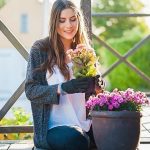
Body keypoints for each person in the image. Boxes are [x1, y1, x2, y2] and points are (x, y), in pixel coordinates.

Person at [25, 0, 105, 149]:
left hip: (84, 124)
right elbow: (31, 90)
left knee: (114, 133)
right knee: (75, 139)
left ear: (78, 20)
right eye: (62, 20)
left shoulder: (84, 51)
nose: (68, 25)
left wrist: (98, 86)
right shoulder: (40, 49)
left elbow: (96, 94)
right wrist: (63, 88)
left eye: (73, 19)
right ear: (54, 22)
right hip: (53, 128)